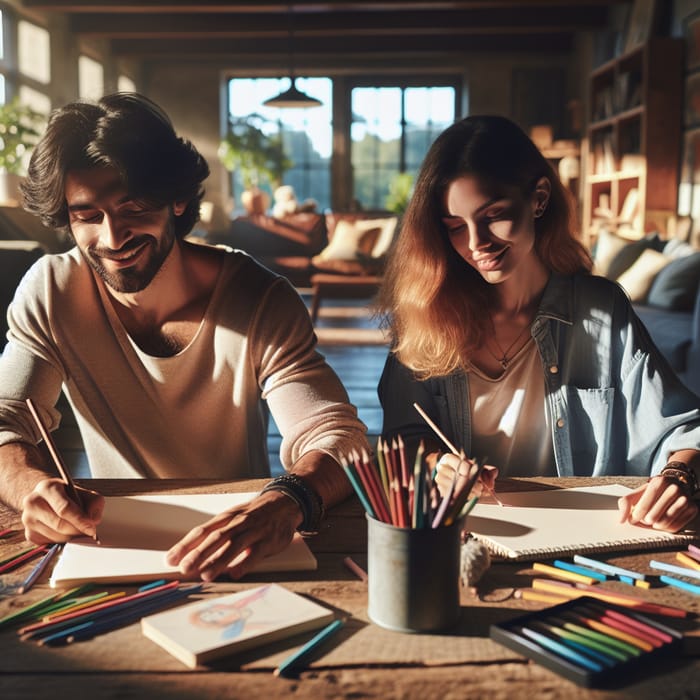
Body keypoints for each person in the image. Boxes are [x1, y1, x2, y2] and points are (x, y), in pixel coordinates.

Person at [0, 92, 366, 580]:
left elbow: (338, 437)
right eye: (88, 216)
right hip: (113, 545)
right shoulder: (52, 289)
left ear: (176, 199)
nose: (112, 238)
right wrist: (30, 486)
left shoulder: (260, 297)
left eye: (132, 207)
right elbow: (6, 417)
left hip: (240, 540)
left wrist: (288, 500)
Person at [377, 114, 700, 533]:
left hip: (590, 544)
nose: (477, 245)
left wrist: (679, 478)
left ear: (539, 198)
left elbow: (683, 431)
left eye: (493, 215)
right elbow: (399, 445)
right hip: (462, 543)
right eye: (455, 227)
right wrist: (438, 465)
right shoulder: (423, 315)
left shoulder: (602, 311)